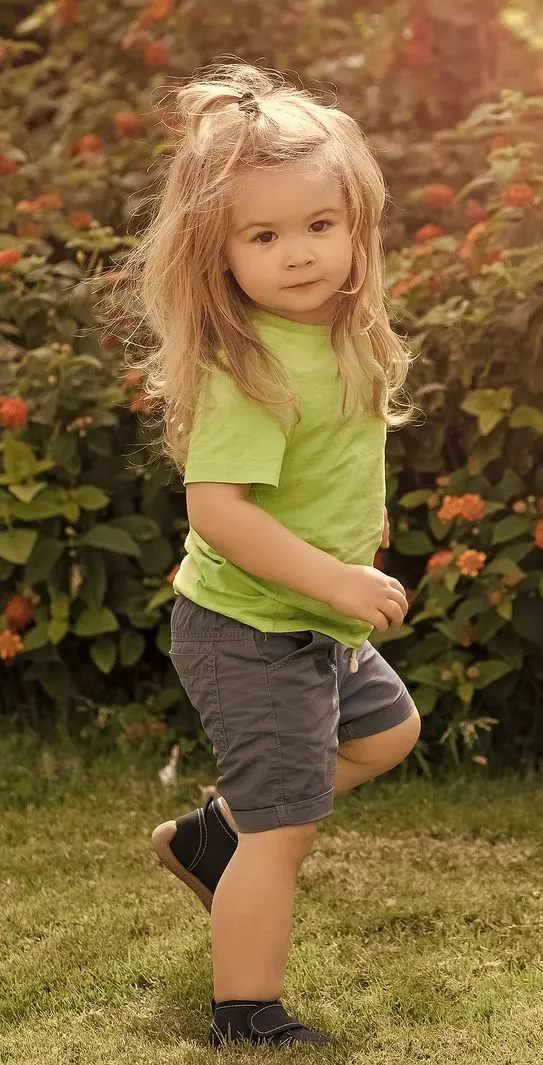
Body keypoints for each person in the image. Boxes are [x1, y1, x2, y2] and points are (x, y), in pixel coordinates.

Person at [129, 61, 422, 1048]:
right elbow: (218, 509)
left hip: (311, 617)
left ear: (355, 230)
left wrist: (344, 562)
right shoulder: (248, 365)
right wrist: (334, 574)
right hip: (251, 628)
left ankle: (214, 838)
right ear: (221, 252)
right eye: (264, 236)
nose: (298, 254)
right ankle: (246, 1013)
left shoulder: (340, 328)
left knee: (385, 735)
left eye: (319, 227)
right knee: (284, 832)